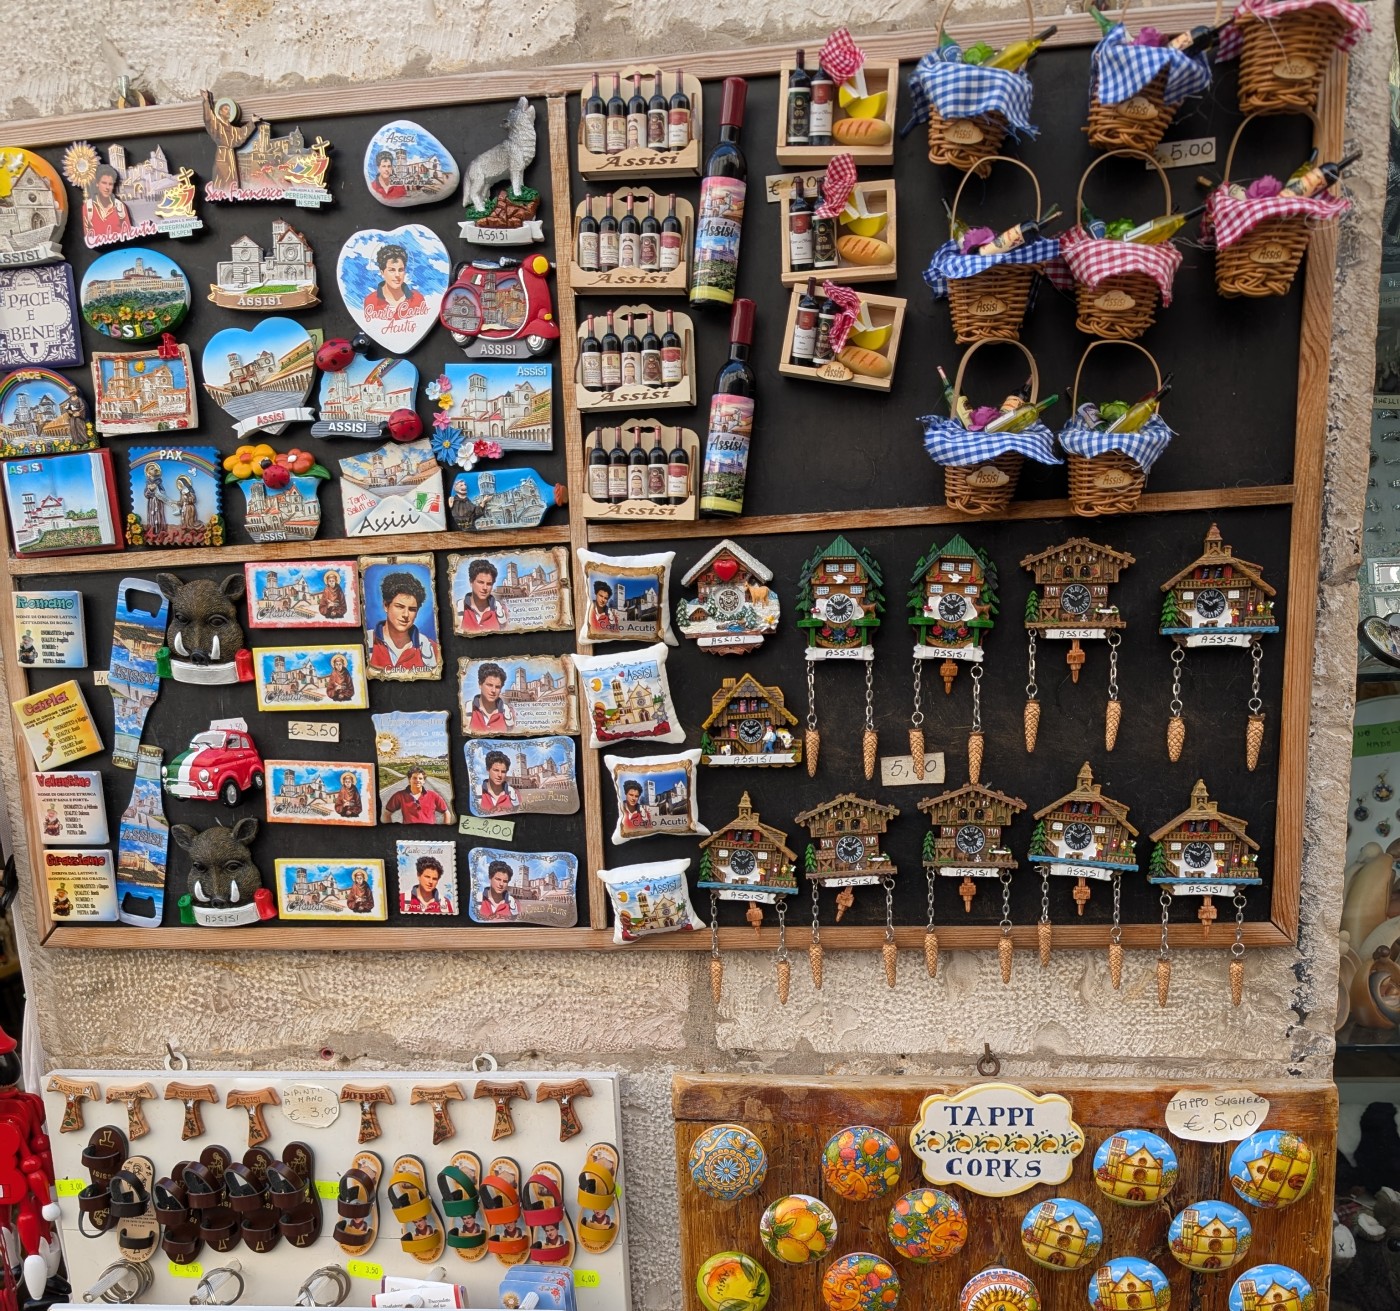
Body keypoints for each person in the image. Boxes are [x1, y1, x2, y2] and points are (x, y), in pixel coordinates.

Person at [367, 570, 439, 673]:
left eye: (412, 609)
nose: (405, 615)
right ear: (386, 606)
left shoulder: (431, 649)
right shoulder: (367, 642)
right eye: (399, 607)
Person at [201, 92, 258, 191]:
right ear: (220, 112)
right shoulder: (217, 126)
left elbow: (242, 134)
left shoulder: (233, 129)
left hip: (231, 156)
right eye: (226, 109)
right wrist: (206, 100)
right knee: (223, 178)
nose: (228, 112)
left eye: (229, 110)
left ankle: (231, 193)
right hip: (222, 155)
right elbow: (209, 118)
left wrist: (252, 122)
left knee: (232, 179)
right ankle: (220, 194)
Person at [362, 243, 426, 319]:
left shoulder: (417, 299)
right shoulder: (371, 301)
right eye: (392, 270)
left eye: (400, 270)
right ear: (382, 272)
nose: (397, 275)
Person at [382, 766, 451, 824]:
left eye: (420, 778)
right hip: (408, 835)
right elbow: (386, 814)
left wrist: (444, 830)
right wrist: (391, 831)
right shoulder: (399, 795)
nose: (417, 780)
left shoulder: (433, 795)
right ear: (409, 780)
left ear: (424, 781)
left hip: (430, 834)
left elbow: (446, 813)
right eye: (414, 778)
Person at [83, 164, 133, 241]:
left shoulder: (120, 206)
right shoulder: (88, 207)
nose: (107, 188)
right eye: (104, 183)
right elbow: (88, 236)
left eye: (110, 184)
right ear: (97, 183)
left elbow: (128, 234)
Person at [459, 558, 509, 631]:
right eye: (480, 582)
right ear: (471, 582)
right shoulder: (458, 609)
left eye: (489, 584)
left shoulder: (502, 611)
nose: (485, 588)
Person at [469, 662, 515, 733]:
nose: (493, 690)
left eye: (497, 687)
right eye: (489, 685)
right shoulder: (467, 711)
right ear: (480, 684)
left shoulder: (509, 714)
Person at [144, 462, 168, 536]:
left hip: (158, 501)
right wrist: (150, 490)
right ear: (148, 473)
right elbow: (146, 494)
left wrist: (157, 490)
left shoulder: (159, 482)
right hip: (152, 502)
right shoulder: (148, 483)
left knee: (159, 514)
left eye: (154, 468)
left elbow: (163, 492)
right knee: (152, 514)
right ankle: (152, 529)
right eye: (151, 469)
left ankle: (160, 529)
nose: (154, 469)